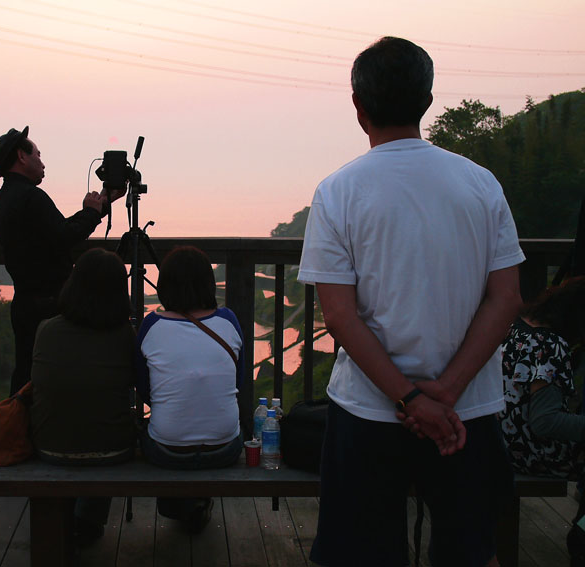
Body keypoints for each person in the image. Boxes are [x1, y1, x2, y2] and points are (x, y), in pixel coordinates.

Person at [297, 37, 525, 567]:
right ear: (427, 99)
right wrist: (442, 394)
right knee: (471, 551)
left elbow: (340, 316)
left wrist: (407, 400)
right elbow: (506, 297)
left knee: (358, 554)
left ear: (358, 106)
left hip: (369, 411)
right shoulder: (480, 184)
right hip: (466, 410)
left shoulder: (338, 191)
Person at [0, 126, 126, 394]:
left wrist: (99, 206)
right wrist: (92, 212)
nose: (42, 162)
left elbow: (56, 232)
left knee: (27, 376)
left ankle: (17, 431)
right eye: (38, 155)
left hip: (25, 303)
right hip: (50, 305)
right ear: (21, 156)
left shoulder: (6, 197)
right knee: (58, 376)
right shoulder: (31, 196)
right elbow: (66, 236)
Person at [135, 245, 244, 533]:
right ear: (207, 282)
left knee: (159, 427)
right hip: (225, 448)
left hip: (167, 451)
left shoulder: (151, 325)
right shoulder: (228, 321)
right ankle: (194, 505)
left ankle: (182, 506)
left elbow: (145, 390)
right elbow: (238, 382)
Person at [30, 248, 136, 542]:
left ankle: (70, 522)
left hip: (48, 445)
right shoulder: (125, 335)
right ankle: (88, 518)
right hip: (113, 449)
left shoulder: (46, 330)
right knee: (101, 424)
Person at [498, 277, 585, 566]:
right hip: (530, 453)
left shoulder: (517, 327)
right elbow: (545, 423)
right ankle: (583, 534)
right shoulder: (552, 346)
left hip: (499, 440)